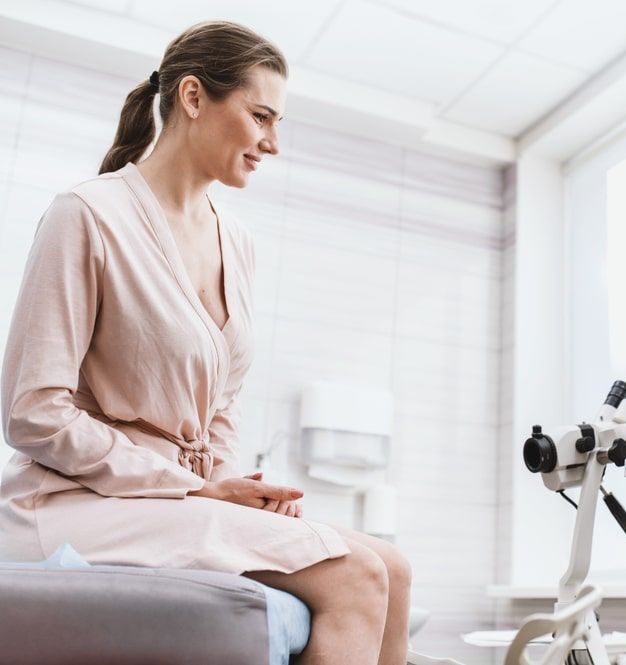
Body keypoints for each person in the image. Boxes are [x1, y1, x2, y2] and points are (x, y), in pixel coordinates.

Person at [0, 21, 410, 665]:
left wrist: (225, 482)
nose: (273, 143)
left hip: (180, 494)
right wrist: (187, 488)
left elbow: (221, 406)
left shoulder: (237, 242)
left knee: (393, 567)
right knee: (354, 573)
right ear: (194, 97)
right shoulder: (87, 214)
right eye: (261, 117)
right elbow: (32, 412)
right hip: (74, 497)